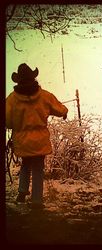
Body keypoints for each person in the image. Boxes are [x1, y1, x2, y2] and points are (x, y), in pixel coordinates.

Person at [6, 63, 68, 209]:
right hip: (39, 140)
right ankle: (37, 200)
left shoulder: (12, 99)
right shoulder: (44, 96)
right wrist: (64, 112)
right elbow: (60, 109)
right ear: (34, 78)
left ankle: (21, 194)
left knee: (25, 164)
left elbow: (7, 121)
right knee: (38, 169)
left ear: (18, 80)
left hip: (22, 140)